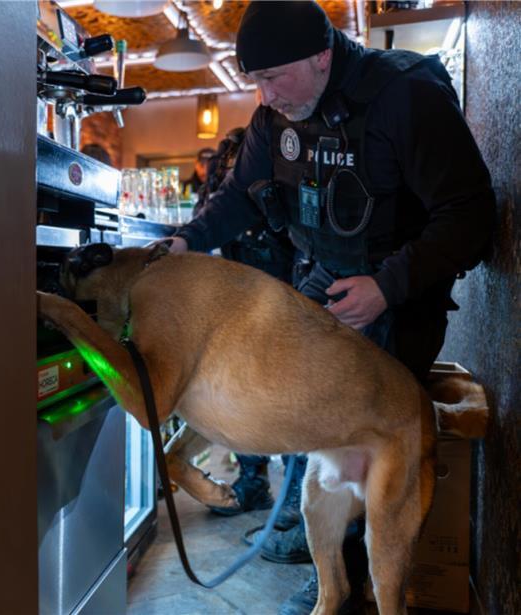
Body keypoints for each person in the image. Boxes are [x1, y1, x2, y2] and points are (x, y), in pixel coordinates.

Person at [168, 2, 495, 614]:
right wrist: (186, 240)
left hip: (398, 300)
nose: (264, 97)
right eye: (256, 82)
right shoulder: (275, 116)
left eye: (275, 79)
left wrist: (387, 286)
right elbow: (239, 196)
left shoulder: (405, 95)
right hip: (318, 288)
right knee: (305, 426)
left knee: (366, 448)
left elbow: (471, 214)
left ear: (322, 57)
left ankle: (371, 586)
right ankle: (333, 577)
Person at [190, 127, 303, 523]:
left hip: (286, 315)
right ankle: (254, 481)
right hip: (241, 319)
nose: (235, 176)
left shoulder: (280, 205)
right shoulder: (219, 211)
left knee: (288, 404)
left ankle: (294, 494)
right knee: (241, 401)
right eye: (228, 171)